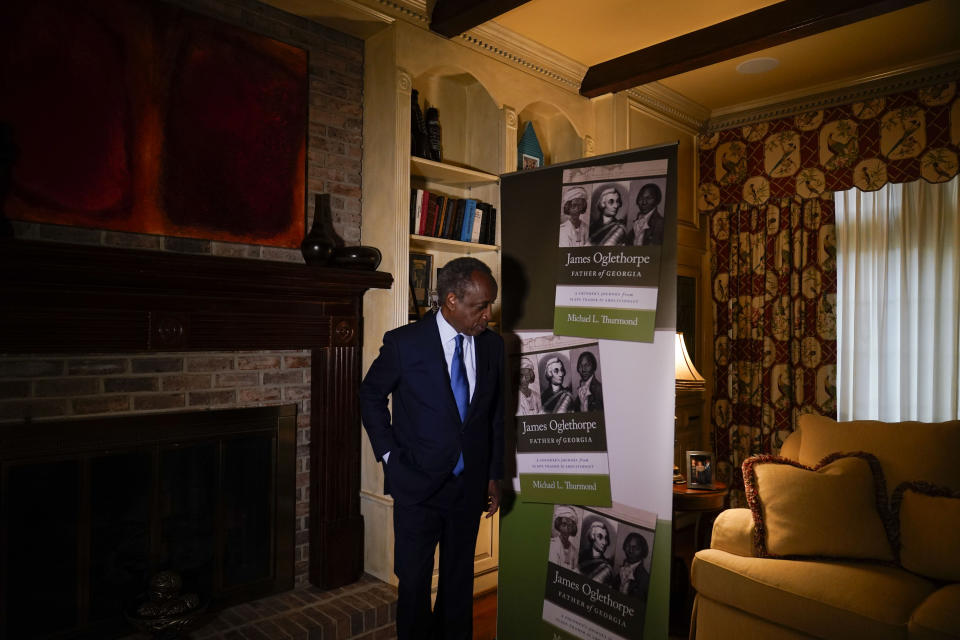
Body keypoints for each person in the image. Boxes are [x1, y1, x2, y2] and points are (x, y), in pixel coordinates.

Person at [360, 257, 504, 640]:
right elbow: (370, 395)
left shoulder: (492, 347)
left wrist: (492, 473)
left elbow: (494, 416)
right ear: (452, 301)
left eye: (490, 305)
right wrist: (390, 456)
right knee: (415, 587)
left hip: (467, 488)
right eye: (480, 307)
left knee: (458, 585)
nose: (488, 315)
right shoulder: (404, 343)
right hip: (416, 487)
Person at [613, 532, 651, 599]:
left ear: (643, 551)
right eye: (628, 546)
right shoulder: (620, 571)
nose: (630, 551)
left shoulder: (645, 579)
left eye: (635, 548)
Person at [578, 519, 614, 584]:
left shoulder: (606, 567)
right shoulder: (580, 557)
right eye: (600, 537)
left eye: (605, 538)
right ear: (592, 536)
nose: (604, 542)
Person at [548, 505, 579, 570]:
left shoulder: (574, 551)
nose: (567, 529)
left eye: (570, 525)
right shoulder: (551, 544)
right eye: (564, 524)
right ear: (558, 525)